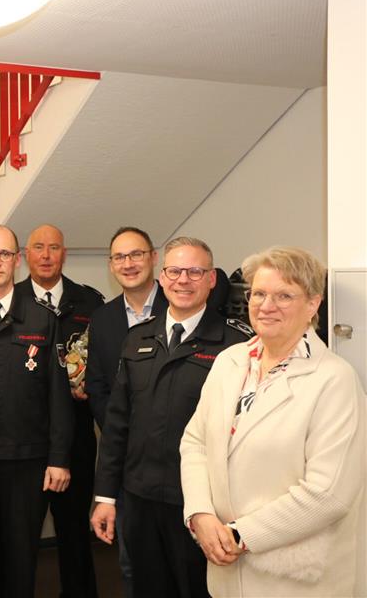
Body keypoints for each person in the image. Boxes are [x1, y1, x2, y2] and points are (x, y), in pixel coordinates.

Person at [180, 246, 366, 597]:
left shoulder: (334, 379)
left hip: (295, 578)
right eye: (259, 294)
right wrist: (201, 515)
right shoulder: (230, 362)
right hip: (224, 563)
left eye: (284, 295)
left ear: (312, 304)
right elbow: (195, 443)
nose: (266, 306)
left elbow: (329, 494)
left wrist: (240, 534)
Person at [90, 237, 252, 598]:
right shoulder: (137, 339)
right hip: (140, 498)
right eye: (175, 271)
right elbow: (118, 425)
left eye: (195, 271)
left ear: (211, 279)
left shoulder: (235, 345)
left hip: (201, 505)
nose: (183, 280)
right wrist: (105, 497)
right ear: (162, 277)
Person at [0, 225, 74, 598]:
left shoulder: (42, 319)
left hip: (28, 461)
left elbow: (59, 397)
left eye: (5, 254)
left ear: (17, 260)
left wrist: (59, 458)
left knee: (20, 560)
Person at [16, 223, 102, 598]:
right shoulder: (11, 301)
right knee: (18, 539)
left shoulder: (90, 302)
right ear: (26, 256)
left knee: (74, 535)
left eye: (54, 248)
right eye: (38, 247)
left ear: (64, 254)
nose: (47, 255)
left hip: (77, 439)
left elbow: (105, 362)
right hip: (25, 438)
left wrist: (91, 385)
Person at [83, 226, 166, 598]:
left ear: (153, 257)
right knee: (133, 564)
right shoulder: (102, 319)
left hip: (175, 460)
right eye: (120, 257)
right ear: (111, 265)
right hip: (126, 461)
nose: (128, 264)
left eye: (136, 254)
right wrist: (123, 431)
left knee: (181, 564)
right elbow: (97, 386)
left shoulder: (180, 304)